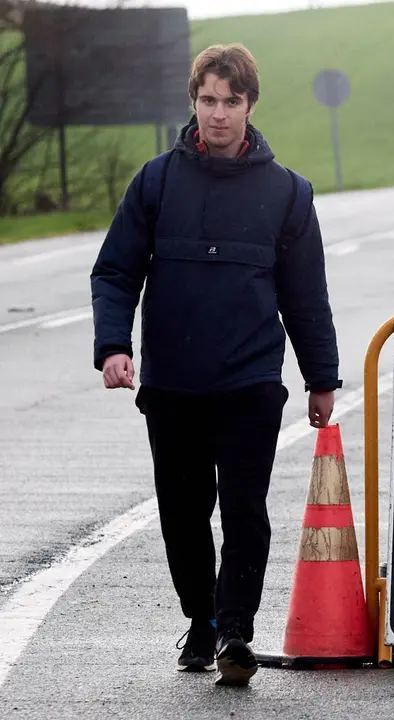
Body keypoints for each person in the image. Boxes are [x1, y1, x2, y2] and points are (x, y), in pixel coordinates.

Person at [89, 43, 340, 687]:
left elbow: (305, 295)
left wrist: (321, 379)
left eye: (231, 101)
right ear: (194, 102)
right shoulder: (157, 181)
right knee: (182, 512)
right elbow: (116, 271)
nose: (219, 114)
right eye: (208, 100)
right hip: (172, 385)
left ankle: (235, 631)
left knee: (245, 512)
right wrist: (115, 346)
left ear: (250, 105)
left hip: (250, 384)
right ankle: (199, 621)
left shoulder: (286, 192)